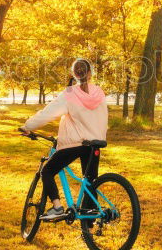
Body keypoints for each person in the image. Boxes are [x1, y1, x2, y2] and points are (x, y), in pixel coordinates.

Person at [18, 58, 108, 222]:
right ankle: (89, 223)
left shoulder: (70, 93)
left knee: (47, 171)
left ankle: (57, 207)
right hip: (95, 143)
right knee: (90, 182)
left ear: (74, 74)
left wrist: (28, 126)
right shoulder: (99, 92)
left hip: (76, 143)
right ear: (90, 73)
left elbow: (48, 113)